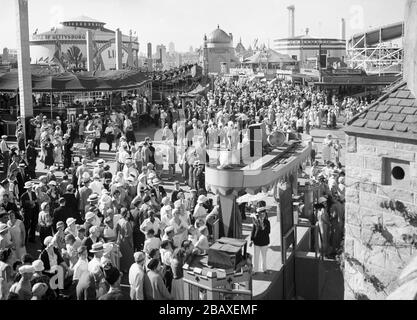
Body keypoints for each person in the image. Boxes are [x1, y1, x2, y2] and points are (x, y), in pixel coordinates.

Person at [250, 207, 271, 275]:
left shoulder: (267, 222)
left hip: (264, 242)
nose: (262, 215)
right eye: (261, 214)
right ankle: (255, 270)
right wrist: (251, 240)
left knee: (264, 256)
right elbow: (253, 231)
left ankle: (264, 269)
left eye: (263, 214)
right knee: (256, 256)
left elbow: (268, 231)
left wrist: (263, 227)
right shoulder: (256, 221)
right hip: (257, 242)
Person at [115, 209, 134, 273]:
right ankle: (128, 268)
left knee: (123, 255)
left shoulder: (119, 221)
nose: (129, 214)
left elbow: (117, 231)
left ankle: (123, 268)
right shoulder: (126, 223)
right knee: (128, 255)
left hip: (121, 240)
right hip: (127, 241)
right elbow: (129, 234)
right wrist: (131, 244)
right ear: (125, 214)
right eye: (128, 213)